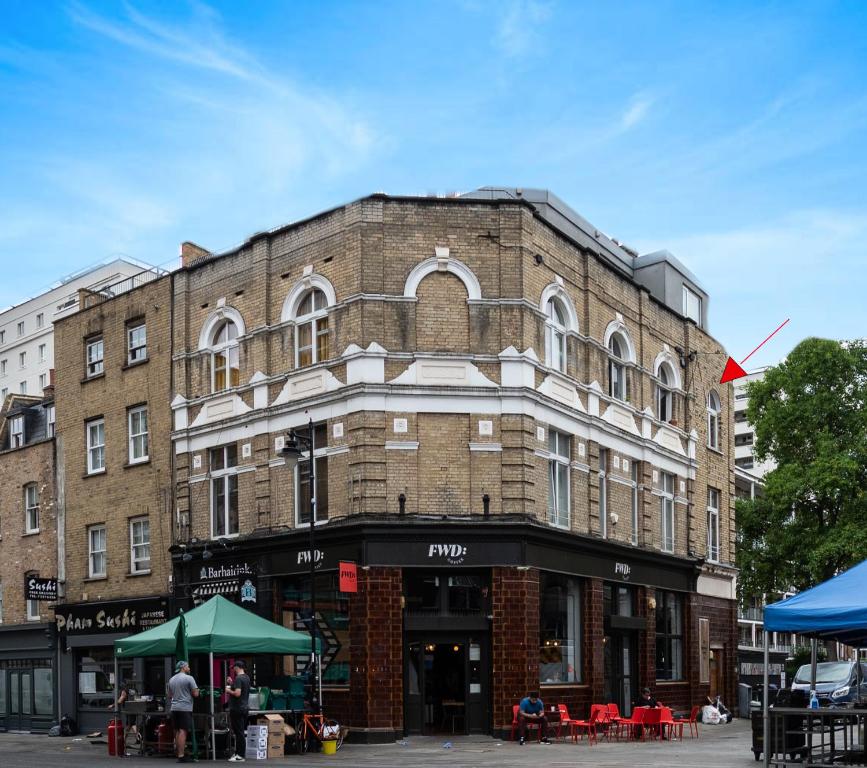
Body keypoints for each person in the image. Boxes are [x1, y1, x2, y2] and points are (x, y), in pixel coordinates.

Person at [167, 660, 200, 763]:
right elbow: (196, 694)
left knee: (177, 730)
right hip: (184, 708)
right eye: (188, 666)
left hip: (174, 708)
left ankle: (179, 754)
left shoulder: (171, 679)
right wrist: (196, 691)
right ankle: (181, 756)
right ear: (183, 667)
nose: (189, 668)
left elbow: (169, 695)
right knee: (183, 731)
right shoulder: (189, 678)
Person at [225, 660, 251, 762]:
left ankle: (240, 755)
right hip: (244, 708)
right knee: (240, 732)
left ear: (237, 667)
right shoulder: (246, 677)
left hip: (237, 709)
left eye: (234, 668)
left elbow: (237, 693)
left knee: (239, 732)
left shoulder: (239, 678)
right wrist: (232, 683)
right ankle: (238, 754)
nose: (233, 670)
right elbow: (242, 689)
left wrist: (228, 690)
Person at [108, 675, 141, 743]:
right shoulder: (135, 690)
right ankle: (127, 739)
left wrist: (113, 705)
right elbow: (137, 698)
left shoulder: (125, 690)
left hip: (128, 709)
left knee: (130, 724)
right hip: (135, 708)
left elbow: (120, 700)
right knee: (130, 724)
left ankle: (139, 738)